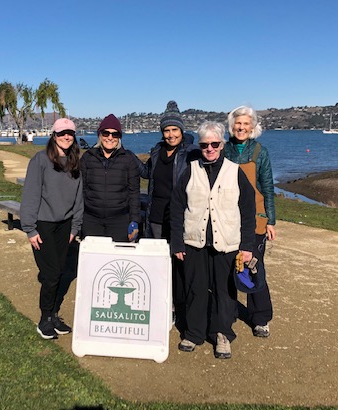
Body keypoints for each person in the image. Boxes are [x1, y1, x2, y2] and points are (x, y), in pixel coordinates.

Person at [170, 121, 256, 359]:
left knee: (225, 292)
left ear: (222, 144)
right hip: (194, 242)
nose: (209, 148)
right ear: (200, 145)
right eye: (205, 144)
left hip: (227, 244)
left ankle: (222, 334)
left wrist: (247, 247)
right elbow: (177, 208)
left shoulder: (234, 172)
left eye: (214, 144)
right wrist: (177, 242)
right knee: (195, 290)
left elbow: (247, 212)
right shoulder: (190, 170)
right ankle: (194, 333)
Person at [20, 118, 83, 340]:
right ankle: (44, 318)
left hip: (65, 225)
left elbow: (78, 198)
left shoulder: (75, 161)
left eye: (70, 133)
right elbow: (30, 195)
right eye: (61, 133)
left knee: (60, 272)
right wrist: (29, 228)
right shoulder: (40, 160)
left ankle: (54, 315)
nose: (66, 137)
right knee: (51, 274)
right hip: (43, 225)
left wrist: (75, 227)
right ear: (53, 135)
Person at [139, 101, 200, 330]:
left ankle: (179, 306)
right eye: (166, 130)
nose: (170, 134)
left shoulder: (191, 153)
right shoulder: (156, 151)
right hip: (155, 216)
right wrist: (122, 154)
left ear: (181, 131)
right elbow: (146, 173)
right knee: (158, 264)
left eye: (174, 130)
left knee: (179, 265)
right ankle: (162, 306)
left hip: (179, 218)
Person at [224, 105, 276, 338]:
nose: (241, 127)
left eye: (246, 124)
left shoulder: (259, 152)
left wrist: (271, 220)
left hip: (255, 218)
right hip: (228, 218)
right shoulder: (224, 150)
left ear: (253, 127)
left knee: (254, 266)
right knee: (227, 267)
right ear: (231, 126)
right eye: (238, 123)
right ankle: (228, 311)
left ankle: (260, 317)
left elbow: (267, 187)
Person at [79, 114, 141, 242]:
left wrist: (134, 220)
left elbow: (134, 193)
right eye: (106, 133)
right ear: (100, 135)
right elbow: (81, 189)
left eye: (115, 134)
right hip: (91, 219)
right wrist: (78, 218)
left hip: (119, 220)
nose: (110, 138)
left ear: (119, 137)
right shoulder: (87, 158)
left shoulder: (128, 159)